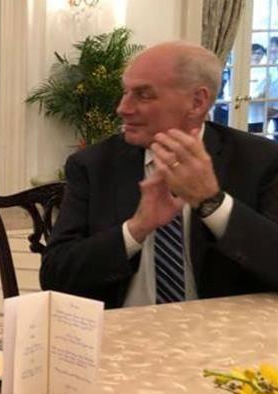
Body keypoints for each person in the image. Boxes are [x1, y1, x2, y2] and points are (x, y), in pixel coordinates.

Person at [41, 42, 278, 308]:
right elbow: (54, 276)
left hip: (224, 337)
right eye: (125, 92)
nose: (122, 108)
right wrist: (135, 229)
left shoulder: (260, 160)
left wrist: (213, 203)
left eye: (143, 95)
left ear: (197, 102)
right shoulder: (93, 165)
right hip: (123, 335)